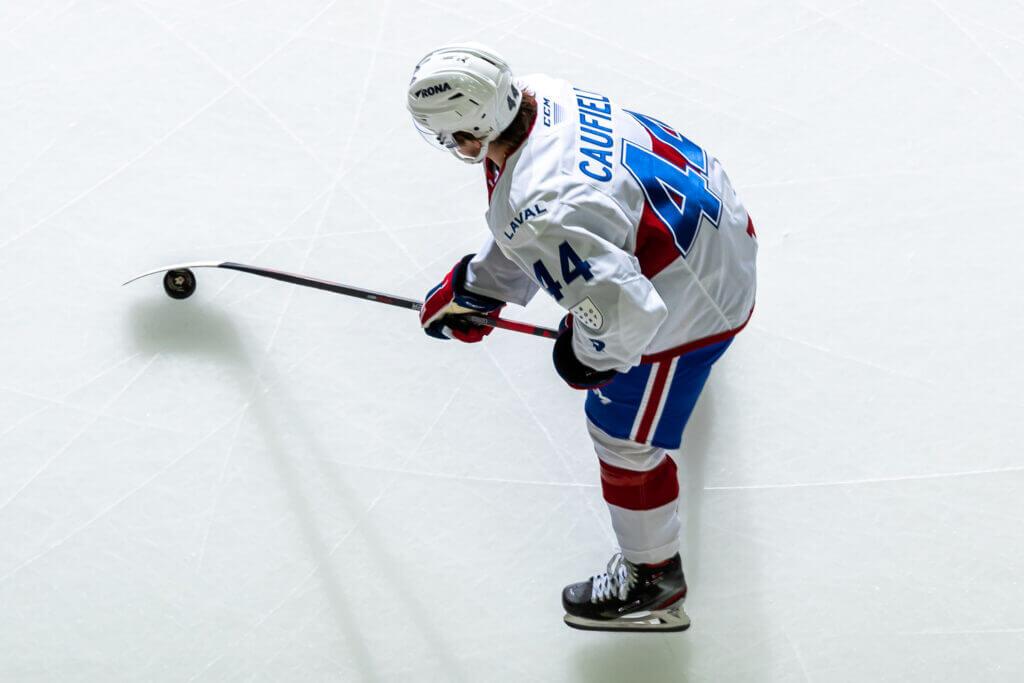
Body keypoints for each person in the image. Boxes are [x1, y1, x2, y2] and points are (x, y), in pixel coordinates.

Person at [407, 43, 757, 632]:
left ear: (471, 132)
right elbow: (544, 217)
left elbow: (625, 316)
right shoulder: (547, 95)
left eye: (451, 136)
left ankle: (653, 581)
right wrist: (480, 286)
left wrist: (585, 357)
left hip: (698, 304)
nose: (454, 148)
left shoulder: (543, 203)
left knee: (618, 436)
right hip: (718, 228)